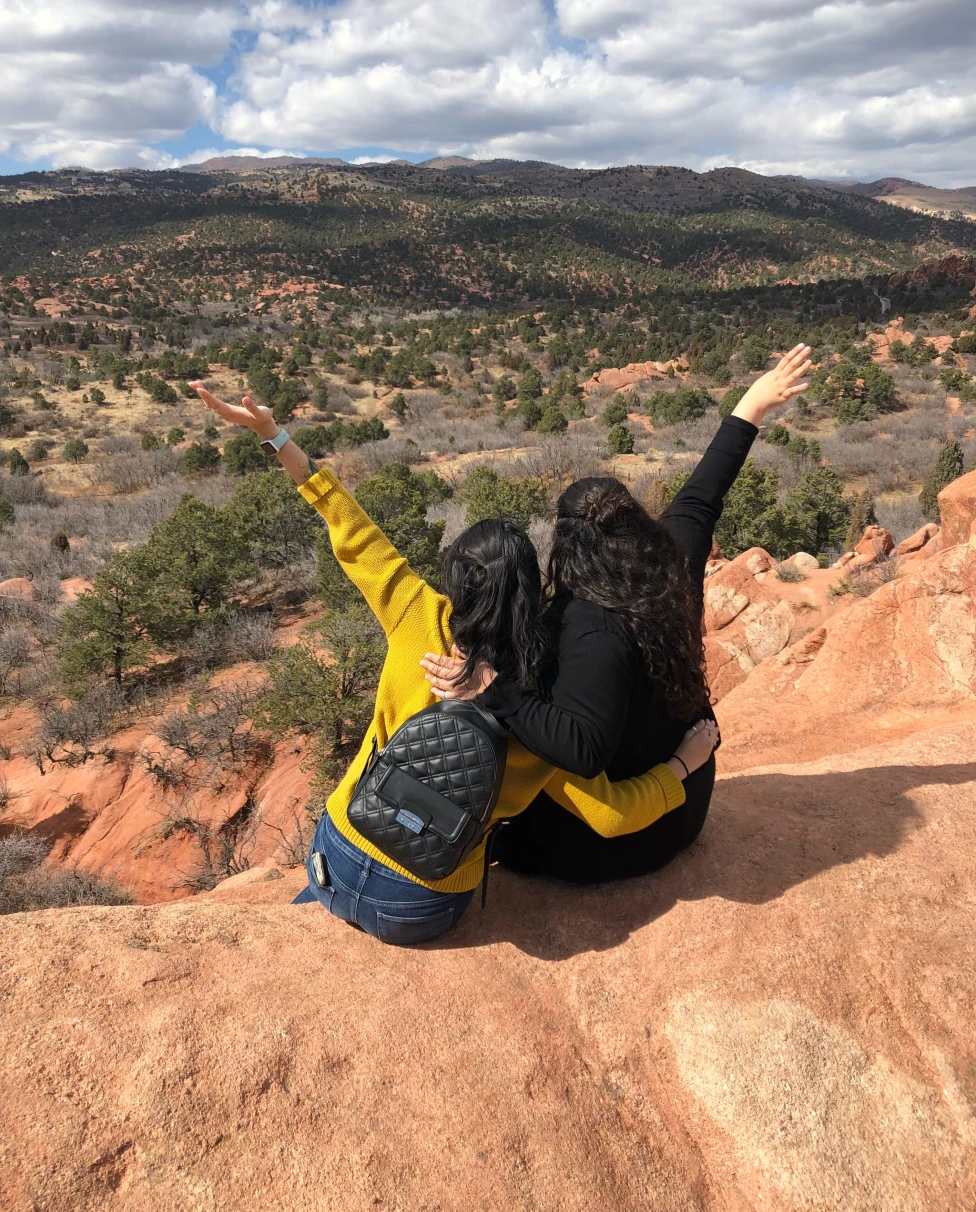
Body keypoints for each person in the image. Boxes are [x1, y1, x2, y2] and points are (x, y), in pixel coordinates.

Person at [189, 382, 719, 944]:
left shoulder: (419, 615)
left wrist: (274, 435)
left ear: (455, 579)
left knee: (323, 895)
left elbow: (350, 526)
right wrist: (682, 766)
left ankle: (319, 900)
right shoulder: (539, 705)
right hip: (422, 905)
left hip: (342, 845)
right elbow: (612, 815)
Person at [421, 345, 812, 883]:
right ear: (634, 523)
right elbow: (704, 494)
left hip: (609, 846)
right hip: (685, 807)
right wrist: (752, 406)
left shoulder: (587, 626)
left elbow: (584, 749)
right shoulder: (674, 560)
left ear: (566, 546)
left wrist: (495, 689)